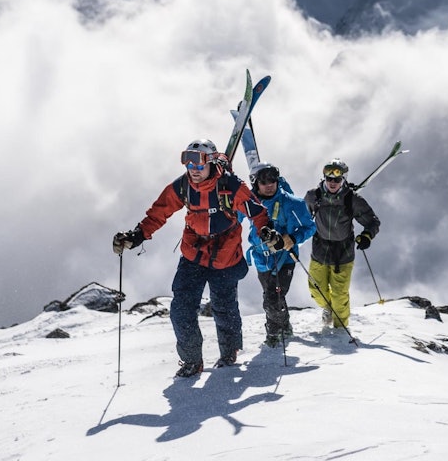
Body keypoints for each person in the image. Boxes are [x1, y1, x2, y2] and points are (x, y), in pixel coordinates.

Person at [113, 139, 271, 378]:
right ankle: (191, 361)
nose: (193, 169)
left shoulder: (231, 186)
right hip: (193, 253)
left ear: (211, 162)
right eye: (188, 163)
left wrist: (267, 231)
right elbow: (159, 212)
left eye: (198, 163)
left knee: (224, 307)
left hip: (226, 254)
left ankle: (229, 352)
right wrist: (137, 235)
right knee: (181, 308)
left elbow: (257, 212)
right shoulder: (182, 186)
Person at [244, 162, 317, 347]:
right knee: (272, 295)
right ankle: (284, 326)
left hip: (285, 258)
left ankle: (274, 333)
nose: (269, 185)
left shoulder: (293, 203)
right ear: (255, 183)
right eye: (264, 181)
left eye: (273, 180)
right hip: (261, 258)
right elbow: (232, 218)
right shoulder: (249, 202)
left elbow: (310, 227)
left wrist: (293, 238)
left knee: (272, 297)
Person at [304, 158, 380, 330]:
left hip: (343, 253)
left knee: (340, 296)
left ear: (343, 179)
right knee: (316, 290)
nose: (332, 182)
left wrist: (367, 236)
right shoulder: (313, 196)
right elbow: (301, 217)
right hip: (320, 250)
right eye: (329, 178)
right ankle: (327, 308)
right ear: (324, 178)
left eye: (337, 179)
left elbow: (373, 221)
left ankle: (341, 331)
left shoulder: (352, 200)